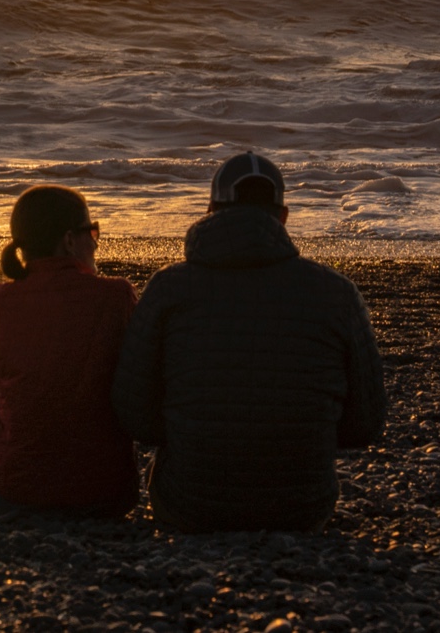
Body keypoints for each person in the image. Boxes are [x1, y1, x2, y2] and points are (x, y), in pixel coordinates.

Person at [112, 152, 385, 532]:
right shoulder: (336, 292)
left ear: (209, 210)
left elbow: (133, 412)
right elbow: (366, 423)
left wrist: (194, 428)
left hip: (190, 505)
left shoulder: (169, 288)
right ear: (283, 216)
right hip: (301, 508)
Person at [0, 184, 139, 518]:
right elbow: (140, 388)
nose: (97, 242)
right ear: (70, 240)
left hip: (15, 490)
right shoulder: (116, 297)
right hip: (105, 491)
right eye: (94, 232)